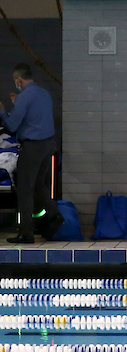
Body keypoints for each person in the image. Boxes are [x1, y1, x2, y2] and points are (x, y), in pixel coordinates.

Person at [0, 64, 61, 243]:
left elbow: (11, 125)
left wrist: (3, 110)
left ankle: (27, 233)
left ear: (18, 80)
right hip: (49, 145)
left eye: (15, 81)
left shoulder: (24, 98)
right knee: (39, 185)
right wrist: (16, 104)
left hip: (33, 147)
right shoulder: (44, 94)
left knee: (25, 190)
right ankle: (55, 214)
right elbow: (34, 116)